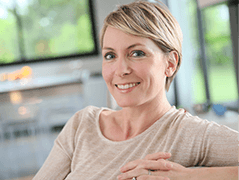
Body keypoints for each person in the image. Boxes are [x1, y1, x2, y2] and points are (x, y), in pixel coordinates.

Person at [33, 1, 238, 179]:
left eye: (137, 53)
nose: (121, 70)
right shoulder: (82, 125)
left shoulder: (190, 133)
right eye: (110, 56)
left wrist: (190, 177)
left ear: (170, 63)